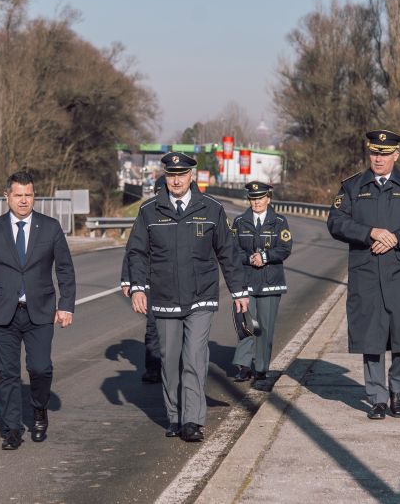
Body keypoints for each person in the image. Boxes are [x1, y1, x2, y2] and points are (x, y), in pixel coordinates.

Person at [126, 152, 249, 442]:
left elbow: (227, 252)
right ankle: (174, 416)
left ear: (192, 176)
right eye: (171, 175)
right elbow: (136, 252)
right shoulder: (149, 211)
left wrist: (239, 291)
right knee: (169, 360)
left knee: (194, 357)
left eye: (182, 175)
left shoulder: (212, 209)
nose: (177, 180)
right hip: (165, 297)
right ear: (165, 176)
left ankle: (192, 420)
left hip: (200, 297)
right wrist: (138, 287)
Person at [327, 130, 400, 420]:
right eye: (375, 153)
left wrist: (397, 238)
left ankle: (396, 386)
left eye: (385, 154)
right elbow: (336, 221)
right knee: (371, 337)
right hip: (366, 271)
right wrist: (369, 233)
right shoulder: (353, 187)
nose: (378, 158)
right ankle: (377, 397)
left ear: (396, 155)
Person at [0, 171, 76, 449]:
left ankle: (39, 409)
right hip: (4, 313)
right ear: (7, 197)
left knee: (40, 368)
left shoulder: (50, 228)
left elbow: (65, 269)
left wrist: (65, 306)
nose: (24, 200)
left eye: (29, 195)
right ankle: (12, 429)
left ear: (34, 197)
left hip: (40, 311)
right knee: (7, 372)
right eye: (18, 195)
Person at [231, 181, 292, 384]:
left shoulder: (280, 221)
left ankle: (261, 367)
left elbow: (285, 248)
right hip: (246, 282)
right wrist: (249, 258)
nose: (256, 202)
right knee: (247, 324)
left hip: (270, 282)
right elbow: (232, 250)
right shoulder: (240, 221)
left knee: (265, 327)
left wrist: (265, 257)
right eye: (253, 199)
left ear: (268, 198)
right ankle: (244, 365)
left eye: (260, 198)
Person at [120, 175, 167, 384]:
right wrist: (127, 280)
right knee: (153, 327)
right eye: (158, 192)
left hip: (173, 283)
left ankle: (175, 368)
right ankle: (153, 369)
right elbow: (133, 250)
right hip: (149, 282)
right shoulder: (147, 214)